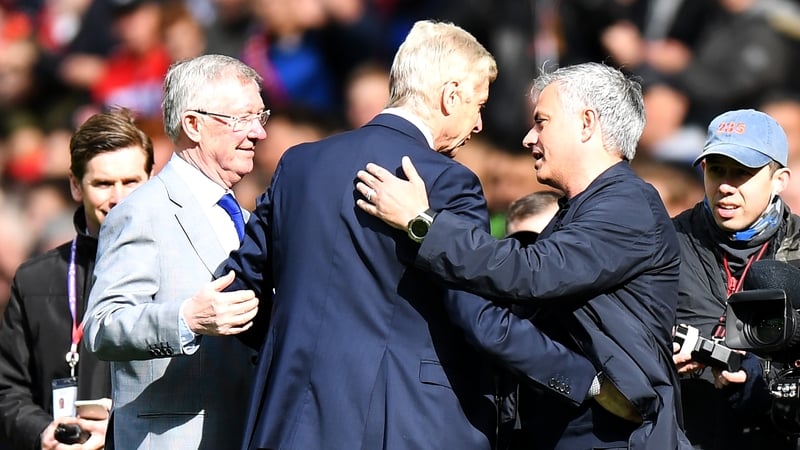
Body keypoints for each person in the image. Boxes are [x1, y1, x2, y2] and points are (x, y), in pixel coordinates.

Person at [219, 20, 623, 450]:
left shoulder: (299, 165)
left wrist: (300, 349)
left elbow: (238, 296)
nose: (480, 124)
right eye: (479, 104)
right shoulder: (448, 181)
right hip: (403, 425)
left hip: (288, 420)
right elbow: (479, 320)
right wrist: (587, 381)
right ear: (451, 96)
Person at [355, 61, 689, 449]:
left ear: (586, 123)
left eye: (542, 122)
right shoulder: (582, 208)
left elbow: (532, 273)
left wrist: (423, 223)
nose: (529, 138)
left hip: (613, 434)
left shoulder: (628, 205)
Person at [83, 54, 266, 449]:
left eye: (260, 117)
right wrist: (186, 318)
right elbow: (102, 325)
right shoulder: (141, 211)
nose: (258, 133)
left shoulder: (247, 218)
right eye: (242, 118)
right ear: (194, 125)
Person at [0, 107, 154, 450]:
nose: (119, 198)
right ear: (75, 185)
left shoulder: (180, 270)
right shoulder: (36, 280)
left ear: (152, 180)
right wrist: (42, 431)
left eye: (131, 182)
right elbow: (7, 389)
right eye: (103, 184)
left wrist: (116, 430)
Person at [671, 109, 800, 449]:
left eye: (742, 172)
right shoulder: (664, 242)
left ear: (779, 180)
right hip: (683, 433)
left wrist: (761, 372)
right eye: (715, 169)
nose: (725, 185)